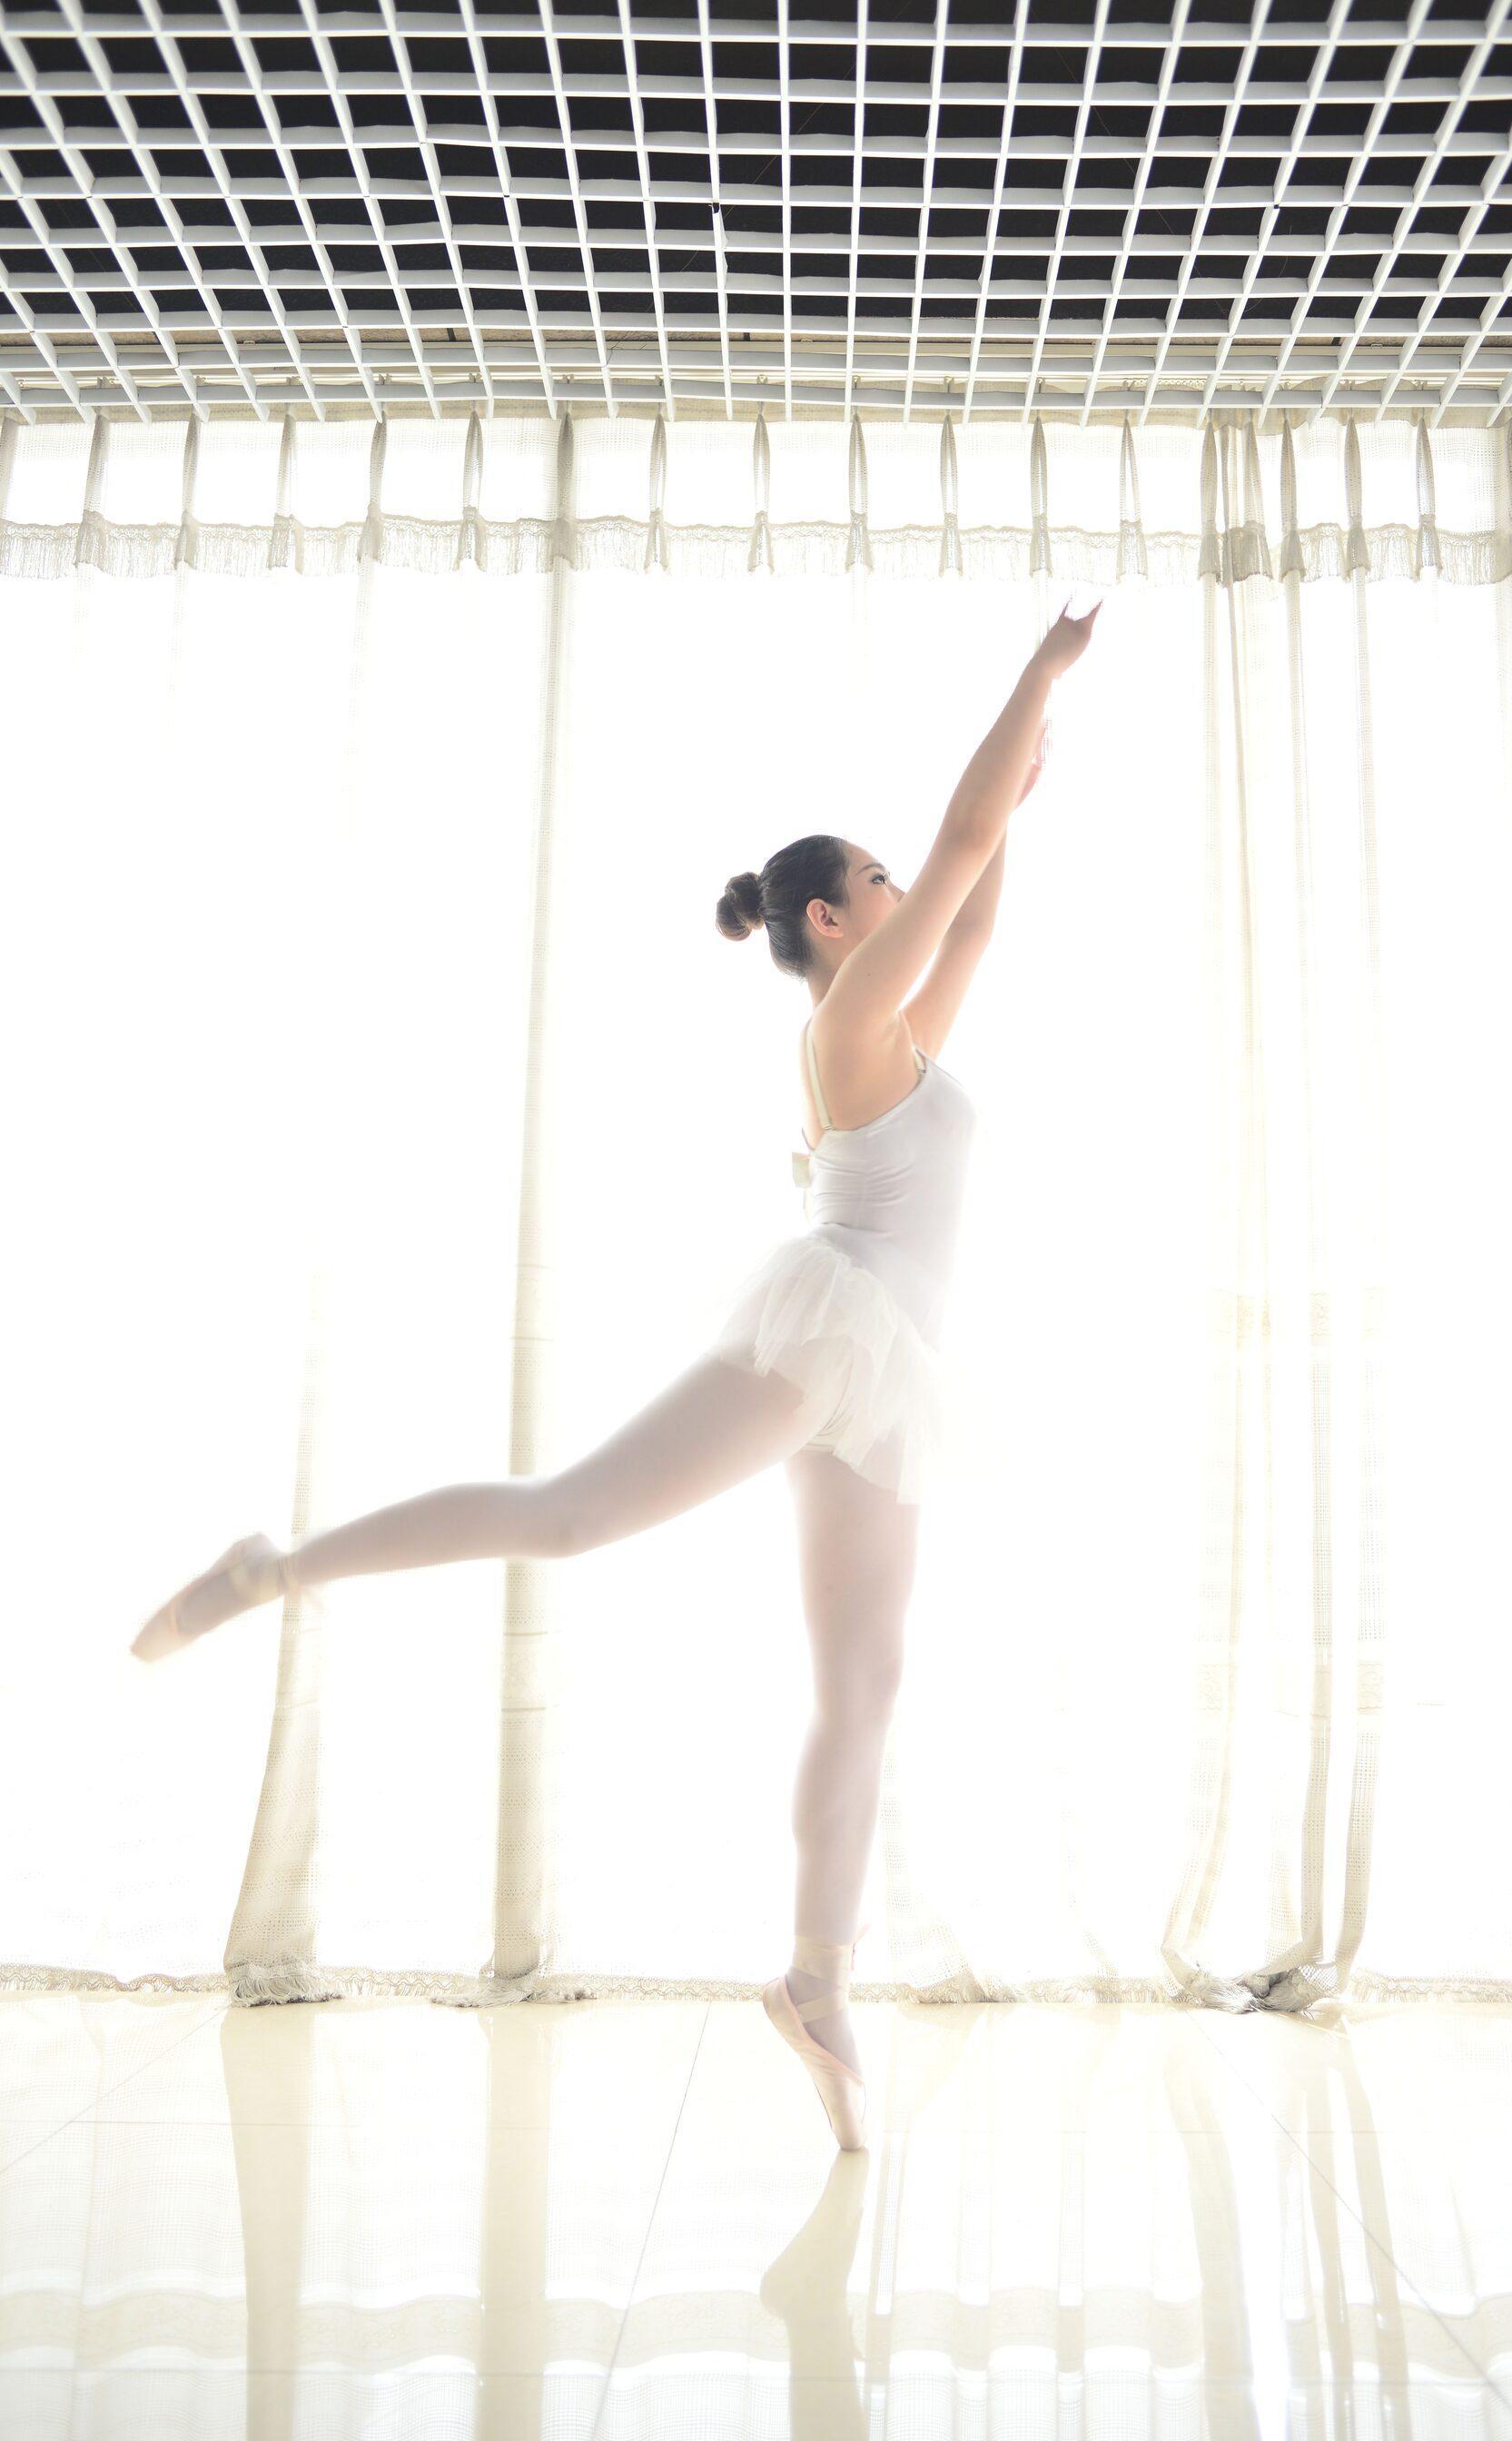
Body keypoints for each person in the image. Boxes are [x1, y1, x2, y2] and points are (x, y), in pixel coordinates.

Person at [130, 596, 1104, 2149]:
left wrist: (1024, 782)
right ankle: (276, 1565)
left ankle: (817, 1980)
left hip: (883, 1370)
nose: (907, 889)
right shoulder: (852, 1026)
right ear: (832, 921)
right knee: (571, 1514)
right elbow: (965, 840)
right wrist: (1040, 670)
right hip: (834, 1326)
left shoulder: (898, 1026)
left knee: (865, 1679)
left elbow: (977, 899)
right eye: (881, 880)